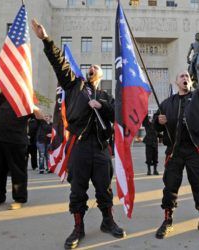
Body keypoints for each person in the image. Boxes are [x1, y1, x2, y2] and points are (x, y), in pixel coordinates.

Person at [31, 19, 126, 250]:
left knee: (104, 188)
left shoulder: (105, 95)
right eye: (90, 67)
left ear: (101, 75)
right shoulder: (74, 84)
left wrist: (101, 106)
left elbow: (117, 114)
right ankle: (78, 227)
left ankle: (108, 221)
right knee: (78, 189)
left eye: (96, 68)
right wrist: (46, 39)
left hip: (101, 147)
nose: (92, 68)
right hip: (80, 146)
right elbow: (59, 62)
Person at [153, 38, 199, 240]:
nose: (185, 77)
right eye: (182, 76)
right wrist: (158, 121)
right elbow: (153, 125)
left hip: (194, 149)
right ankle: (167, 220)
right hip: (175, 151)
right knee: (170, 187)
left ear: (191, 81)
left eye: (187, 75)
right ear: (176, 82)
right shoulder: (167, 103)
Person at [0, 64, 42, 211]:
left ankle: (19, 199)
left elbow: (40, 115)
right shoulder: (3, 96)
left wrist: (33, 106)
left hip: (17, 142)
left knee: (18, 172)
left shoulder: (27, 100)